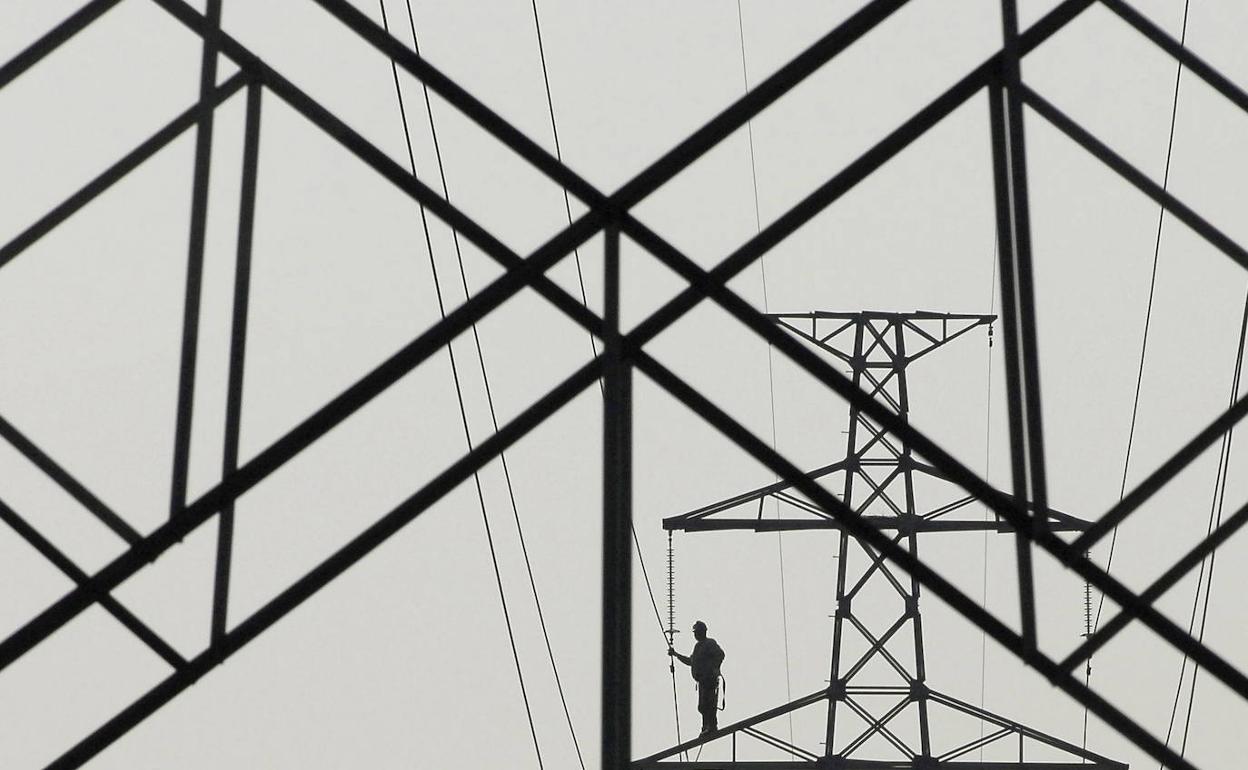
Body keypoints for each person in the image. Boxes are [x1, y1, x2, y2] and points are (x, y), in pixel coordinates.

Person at [669, 620, 725, 734]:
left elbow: (720, 655)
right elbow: (691, 661)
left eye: (697, 632)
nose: (696, 634)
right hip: (702, 681)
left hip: (709, 679)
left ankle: (711, 726)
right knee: (703, 706)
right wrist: (676, 654)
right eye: (695, 632)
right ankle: (705, 727)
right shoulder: (698, 647)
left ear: (703, 632)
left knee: (709, 704)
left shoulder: (709, 643)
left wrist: (714, 668)